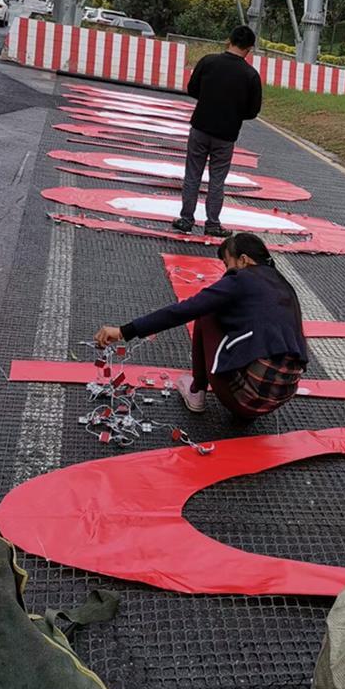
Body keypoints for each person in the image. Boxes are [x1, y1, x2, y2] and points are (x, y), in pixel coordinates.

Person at [95, 233, 307, 421]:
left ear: (243, 260)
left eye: (226, 264)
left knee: (206, 313)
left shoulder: (242, 279)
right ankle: (242, 404)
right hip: (281, 395)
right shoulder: (283, 284)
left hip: (247, 398)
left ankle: (196, 391)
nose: (226, 271)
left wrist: (125, 331)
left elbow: (184, 310)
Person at [173, 25, 263, 239]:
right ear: (249, 49)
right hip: (226, 134)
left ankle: (186, 219)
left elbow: (192, 89)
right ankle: (212, 223)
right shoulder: (251, 75)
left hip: (201, 127)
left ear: (228, 41)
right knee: (217, 180)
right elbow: (253, 111)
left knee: (193, 174)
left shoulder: (208, 62)